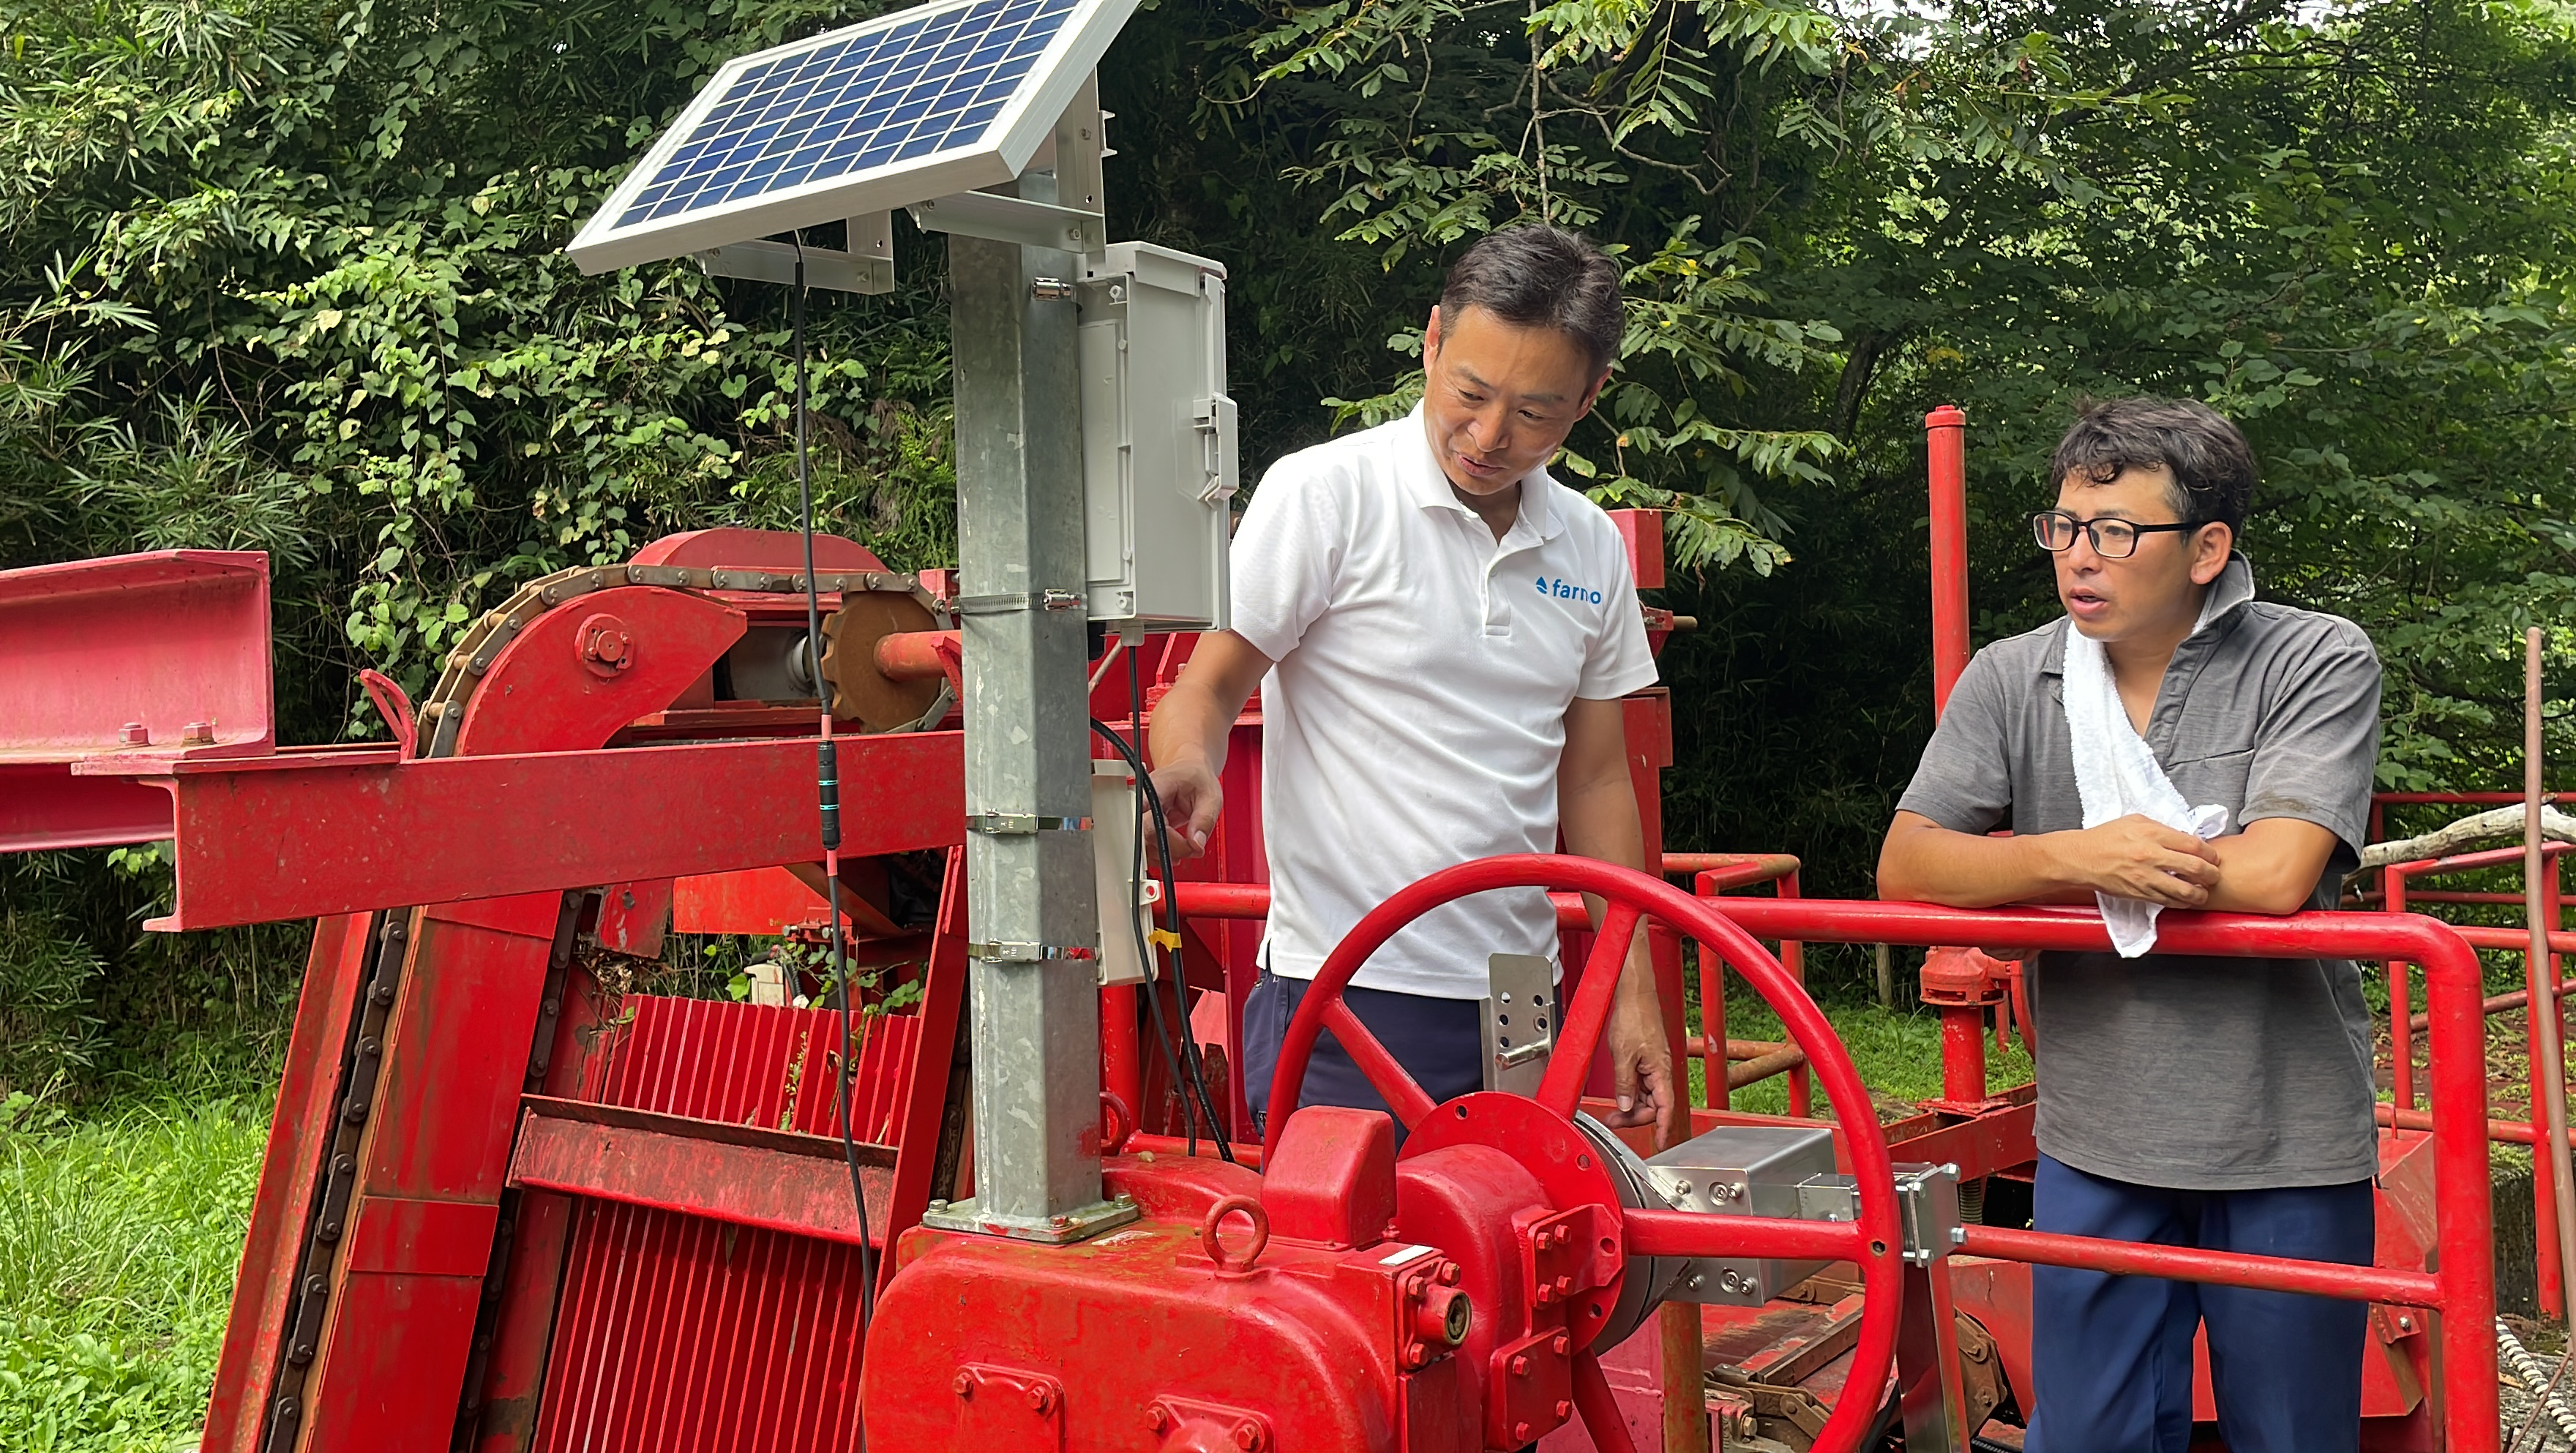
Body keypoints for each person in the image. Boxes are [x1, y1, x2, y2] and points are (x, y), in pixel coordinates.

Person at [1877, 396, 2383, 1453]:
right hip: (2095, 1138)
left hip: (2284, 1143)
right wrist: (2077, 855)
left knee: (2294, 1434)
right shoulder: (2014, 674)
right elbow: (1909, 861)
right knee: (2088, 1435)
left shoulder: (2313, 657)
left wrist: (2022, 876)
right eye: (2065, 526)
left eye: (2114, 532)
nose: (2079, 556)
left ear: (2208, 549)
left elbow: (2277, 871)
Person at [1147, 224, 1680, 1145]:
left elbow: (1596, 781)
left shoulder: (1589, 545)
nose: (1489, 436)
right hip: (1347, 991)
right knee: (1355, 1242)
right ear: (1432, 340)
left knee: (1513, 1233)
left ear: (1589, 398)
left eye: (1534, 413)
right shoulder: (1326, 495)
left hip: (1520, 1000)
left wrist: (1630, 994)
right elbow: (1208, 687)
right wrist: (1189, 760)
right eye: (1470, 393)